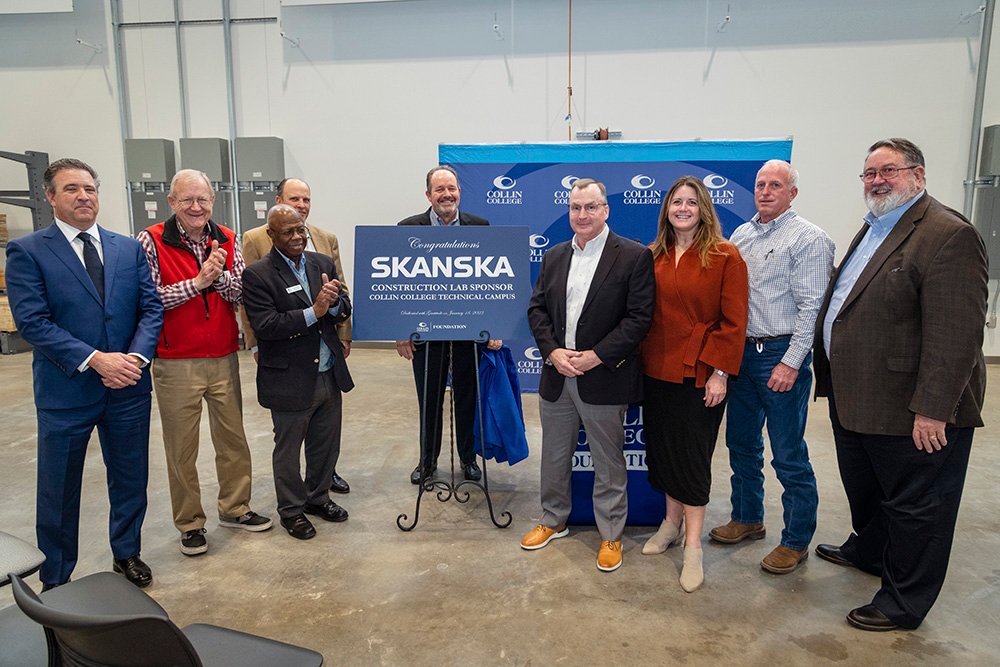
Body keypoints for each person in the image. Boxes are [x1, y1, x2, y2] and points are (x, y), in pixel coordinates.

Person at [814, 138, 988, 631]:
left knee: (918, 507)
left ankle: (903, 602)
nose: (877, 181)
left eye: (888, 170)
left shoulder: (948, 234)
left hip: (911, 407)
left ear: (918, 175)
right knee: (869, 489)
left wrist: (934, 409)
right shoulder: (876, 226)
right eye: (869, 173)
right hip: (859, 397)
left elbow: (956, 335)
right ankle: (871, 551)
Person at [5, 158, 163, 589]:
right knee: (58, 489)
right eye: (71, 189)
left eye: (89, 188)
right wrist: (96, 359)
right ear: (50, 197)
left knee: (130, 477)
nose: (83, 196)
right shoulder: (28, 251)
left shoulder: (127, 248)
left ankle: (126, 552)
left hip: (127, 386)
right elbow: (33, 322)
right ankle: (56, 578)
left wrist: (135, 359)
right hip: (66, 391)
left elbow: (150, 309)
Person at [520, 178, 654, 573]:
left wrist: (596, 356)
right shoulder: (554, 256)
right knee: (554, 456)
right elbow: (537, 310)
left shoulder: (633, 256)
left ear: (606, 210)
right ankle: (552, 520)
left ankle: (611, 533)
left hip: (604, 376)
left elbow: (639, 318)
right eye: (576, 207)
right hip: (557, 374)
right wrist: (552, 351)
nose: (583, 214)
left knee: (608, 461)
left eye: (591, 207)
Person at [137, 169, 272, 557]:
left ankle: (235, 507)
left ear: (213, 200)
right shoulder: (151, 240)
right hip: (175, 360)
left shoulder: (227, 237)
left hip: (223, 355)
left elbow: (241, 291)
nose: (196, 207)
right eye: (187, 200)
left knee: (233, 438)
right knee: (181, 447)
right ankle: (190, 523)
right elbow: (148, 298)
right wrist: (197, 282)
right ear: (172, 202)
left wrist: (217, 277)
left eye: (203, 200)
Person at [710, 160, 834, 575]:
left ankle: (796, 540)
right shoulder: (741, 236)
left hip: (781, 355)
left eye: (775, 185)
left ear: (792, 193)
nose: (765, 191)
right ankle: (747, 517)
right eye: (760, 184)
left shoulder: (810, 239)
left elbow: (812, 308)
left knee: (788, 454)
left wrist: (791, 362)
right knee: (741, 445)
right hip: (742, 355)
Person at [639, 176, 748, 592]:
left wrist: (720, 372)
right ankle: (670, 524)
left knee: (692, 458)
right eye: (676, 201)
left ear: (703, 209)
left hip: (701, 373)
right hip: (656, 369)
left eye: (691, 202)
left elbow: (735, 321)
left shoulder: (725, 255)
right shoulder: (654, 254)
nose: (683, 208)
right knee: (664, 453)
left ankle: (693, 547)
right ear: (666, 209)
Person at [242, 205, 355, 540]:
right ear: (271, 235)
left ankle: (318, 498)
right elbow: (266, 325)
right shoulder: (258, 274)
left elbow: (343, 305)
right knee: (288, 451)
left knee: (325, 444)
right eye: (287, 231)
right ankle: (291, 510)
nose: (296, 237)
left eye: (300, 229)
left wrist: (333, 306)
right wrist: (314, 311)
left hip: (328, 371)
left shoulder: (322, 263)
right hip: (289, 377)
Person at [395, 165, 500, 484]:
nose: (446, 194)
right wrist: (400, 329)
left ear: (459, 192)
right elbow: (398, 283)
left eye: (451, 188)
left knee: (467, 397)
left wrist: (494, 325)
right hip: (425, 332)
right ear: (428, 195)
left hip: (469, 331)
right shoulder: (406, 228)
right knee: (429, 400)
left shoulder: (480, 227)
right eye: (439, 189)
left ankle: (468, 458)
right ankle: (427, 461)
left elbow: (491, 280)